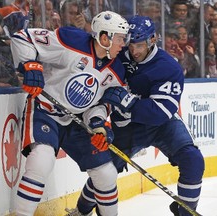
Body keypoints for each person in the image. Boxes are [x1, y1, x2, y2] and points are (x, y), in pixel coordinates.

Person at [74, 15, 205, 216]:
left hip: (163, 126)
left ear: (152, 40)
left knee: (193, 160)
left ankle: (186, 214)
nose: (134, 50)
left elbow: (161, 112)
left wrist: (129, 103)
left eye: (139, 44)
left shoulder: (169, 67)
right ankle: (81, 211)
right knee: (104, 171)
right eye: (130, 43)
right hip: (126, 128)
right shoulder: (118, 55)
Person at [10, 10, 130, 216]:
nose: (123, 44)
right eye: (120, 39)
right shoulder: (70, 40)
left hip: (77, 121)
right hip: (44, 110)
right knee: (41, 160)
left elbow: (100, 104)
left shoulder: (117, 70)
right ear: (104, 37)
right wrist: (31, 66)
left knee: (106, 173)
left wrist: (98, 123)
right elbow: (22, 37)